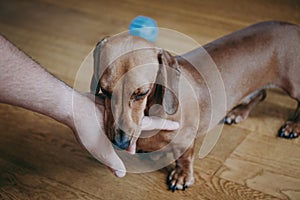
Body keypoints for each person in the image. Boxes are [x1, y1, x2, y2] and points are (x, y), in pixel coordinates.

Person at [0, 35, 179, 177]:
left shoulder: (162, 68)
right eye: (107, 92)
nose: (119, 136)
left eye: (140, 94)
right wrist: (75, 109)